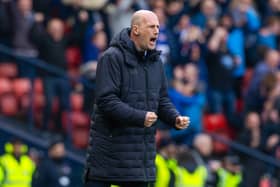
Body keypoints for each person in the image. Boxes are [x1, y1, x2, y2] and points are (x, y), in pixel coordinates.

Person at [84, 10, 190, 187]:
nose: (156, 31)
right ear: (136, 29)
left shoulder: (157, 62)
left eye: (158, 26)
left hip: (139, 161)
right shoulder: (112, 57)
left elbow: (162, 100)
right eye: (151, 27)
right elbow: (106, 101)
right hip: (108, 157)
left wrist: (174, 117)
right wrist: (140, 117)